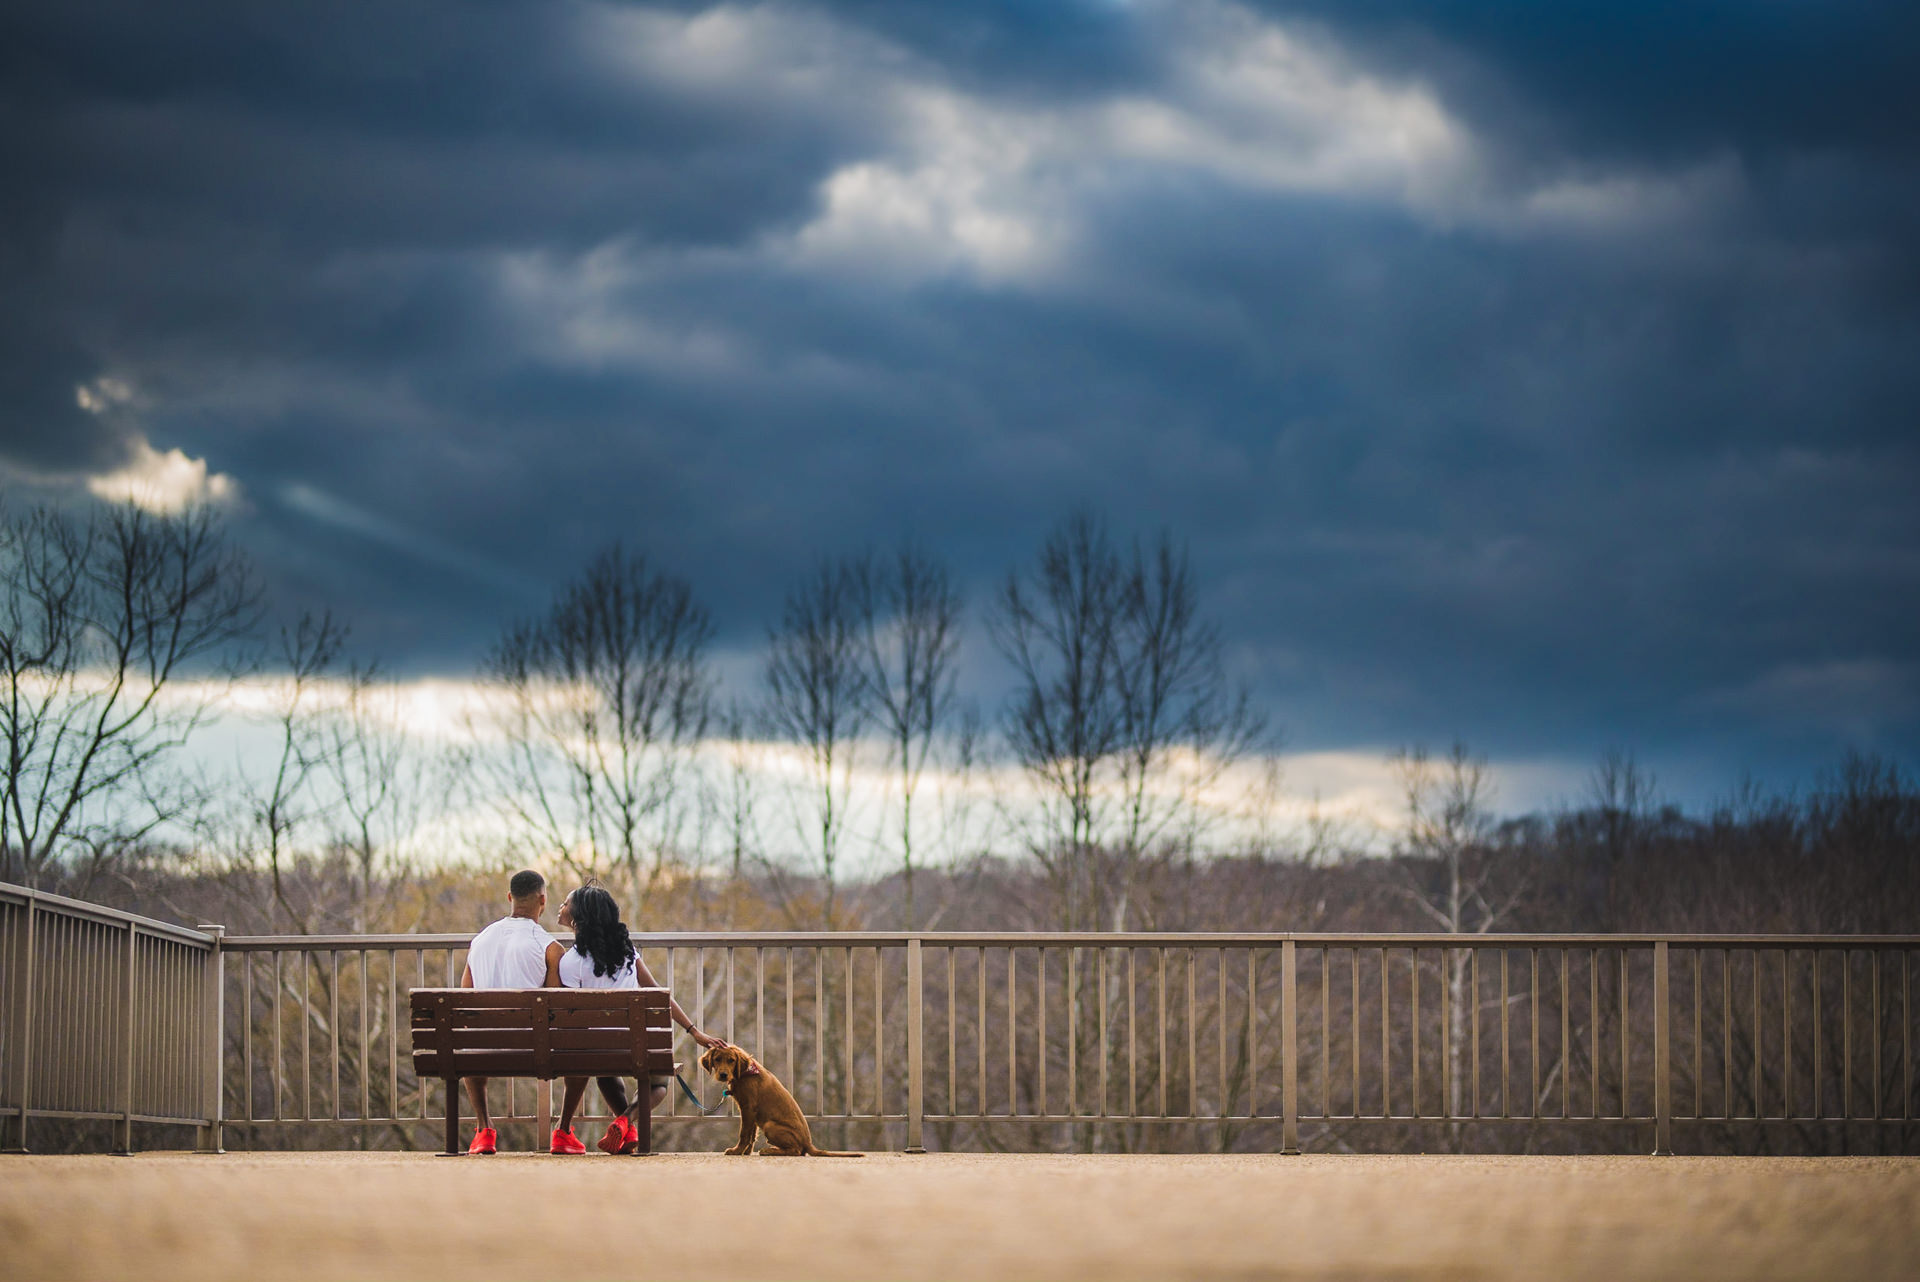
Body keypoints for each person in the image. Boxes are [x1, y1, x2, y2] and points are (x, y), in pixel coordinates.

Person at [550, 881, 724, 1155]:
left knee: (603, 1071)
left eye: (565, 903)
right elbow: (659, 994)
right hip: (635, 1045)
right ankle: (626, 1120)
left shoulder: (568, 962)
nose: (560, 906)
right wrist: (693, 1031)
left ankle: (623, 1125)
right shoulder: (627, 953)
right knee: (658, 1084)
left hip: (593, 1051)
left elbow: (570, 1015)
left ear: (578, 916)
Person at [459, 868, 565, 1155]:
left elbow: (465, 999)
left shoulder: (479, 941)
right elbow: (554, 1004)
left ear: (510, 897)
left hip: (482, 1049)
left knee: (472, 1043)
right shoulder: (550, 947)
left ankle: (483, 1129)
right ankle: (564, 1130)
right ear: (543, 900)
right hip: (534, 1048)